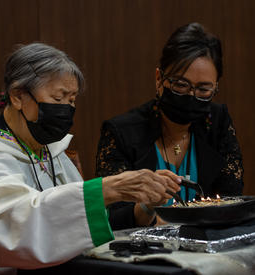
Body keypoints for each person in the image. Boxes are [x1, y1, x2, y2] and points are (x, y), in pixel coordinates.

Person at [0, 43, 182, 274]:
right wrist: (106, 189)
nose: (66, 109)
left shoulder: (49, 149)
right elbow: (15, 230)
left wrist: (144, 206)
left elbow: (76, 229)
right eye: (58, 99)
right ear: (17, 96)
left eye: (72, 100)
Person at [96, 22, 244, 230]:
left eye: (203, 90)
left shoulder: (218, 123)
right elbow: (111, 219)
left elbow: (230, 201)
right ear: (159, 79)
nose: (191, 96)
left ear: (215, 87)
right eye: (181, 85)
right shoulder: (122, 132)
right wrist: (147, 207)